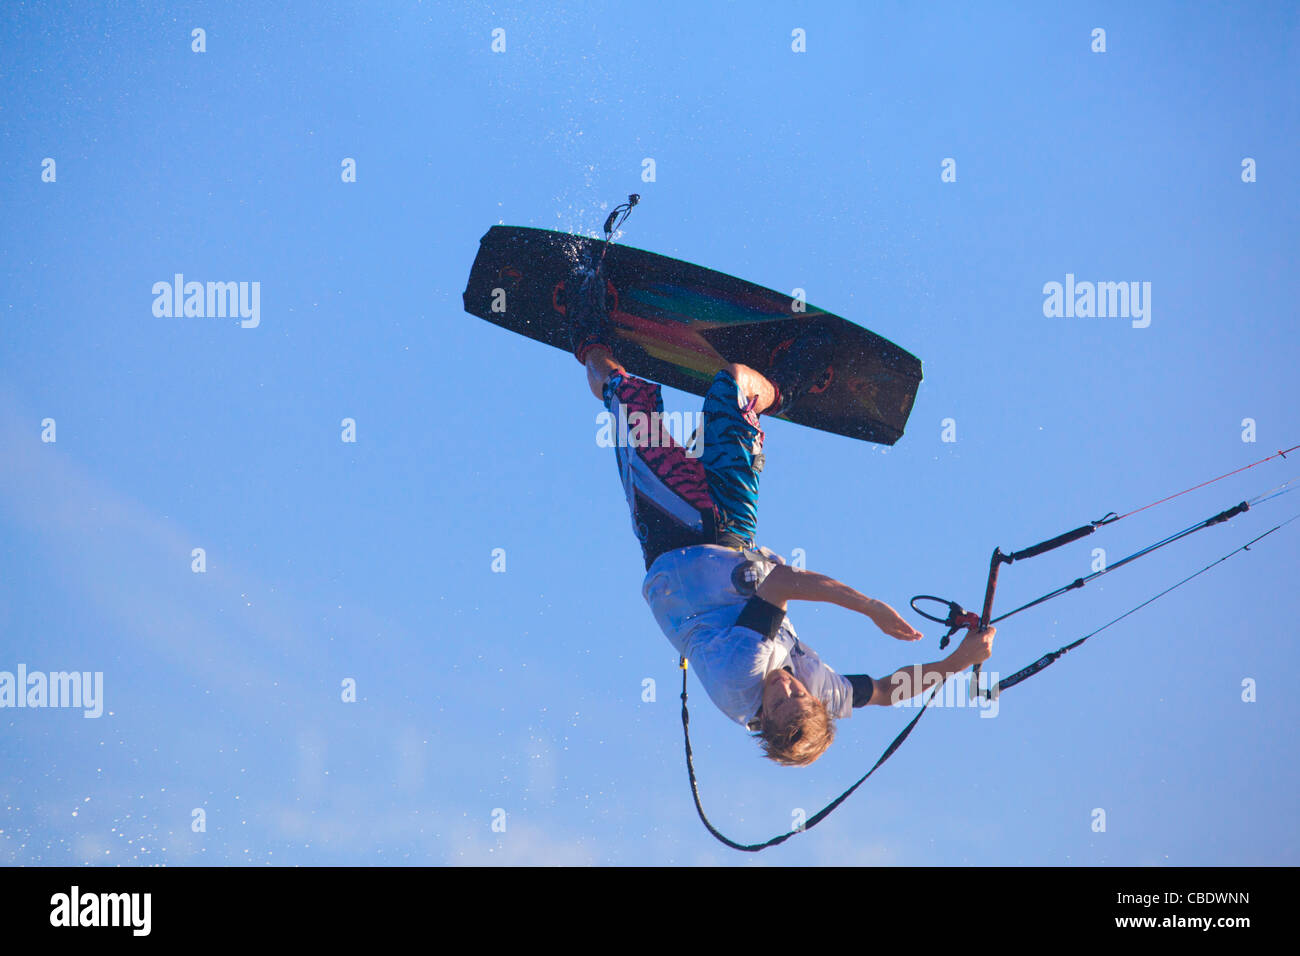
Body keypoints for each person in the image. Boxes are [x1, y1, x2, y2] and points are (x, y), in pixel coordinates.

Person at [566, 249, 995, 766]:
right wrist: (958, 660)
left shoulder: (738, 680)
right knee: (735, 385)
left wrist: (872, 608)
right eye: (800, 699)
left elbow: (785, 584)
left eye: (778, 706)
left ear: (761, 721)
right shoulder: (818, 690)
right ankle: (786, 387)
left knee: (629, 399)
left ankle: (585, 325)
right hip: (731, 530)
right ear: (816, 703)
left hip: (673, 534)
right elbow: (885, 691)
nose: (788, 691)